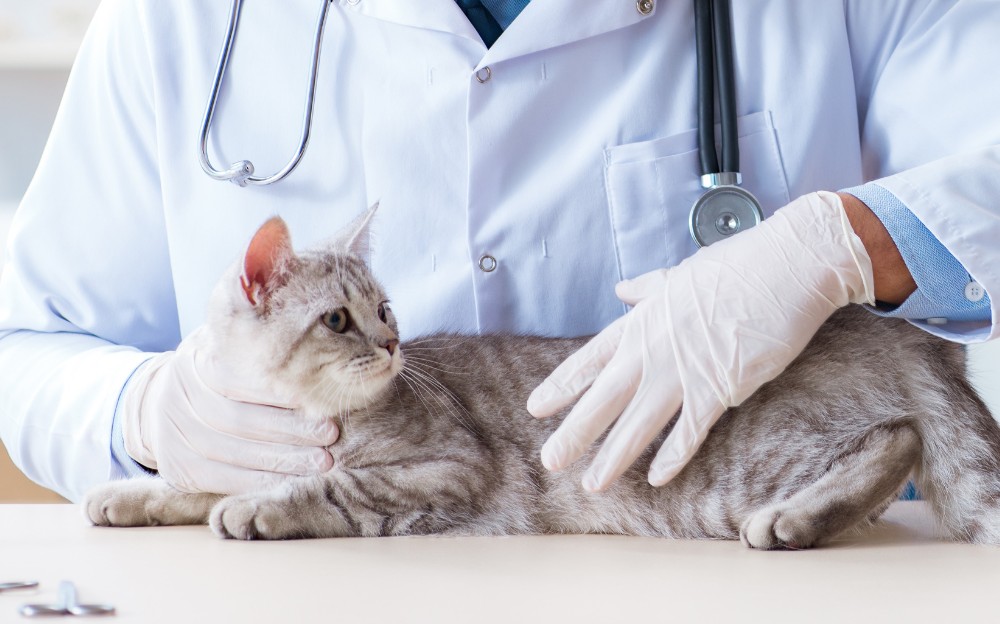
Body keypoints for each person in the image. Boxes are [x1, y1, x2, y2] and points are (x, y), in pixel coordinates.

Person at [0, 0, 996, 502]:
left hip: (767, 587)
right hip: (301, 598)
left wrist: (845, 242)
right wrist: (144, 414)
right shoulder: (188, 21)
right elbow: (29, 342)